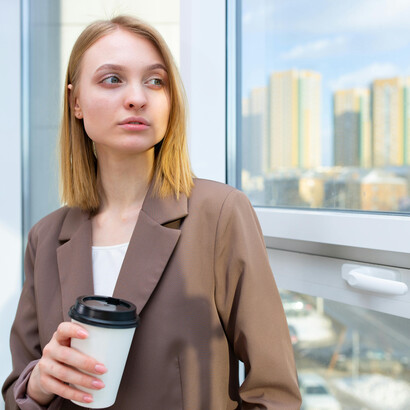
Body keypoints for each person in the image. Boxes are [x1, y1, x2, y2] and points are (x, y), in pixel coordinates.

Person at [2, 15, 301, 409]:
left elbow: (274, 392)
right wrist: (39, 383)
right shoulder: (45, 236)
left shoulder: (220, 214)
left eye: (155, 81)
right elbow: (17, 391)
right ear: (76, 102)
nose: (137, 97)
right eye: (112, 79)